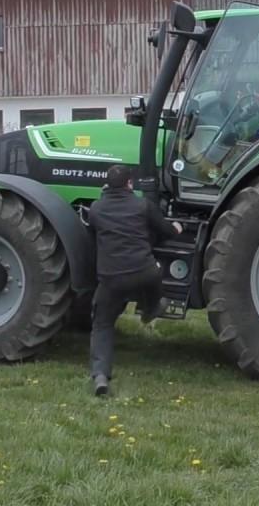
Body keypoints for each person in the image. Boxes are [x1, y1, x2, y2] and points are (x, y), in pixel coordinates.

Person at [84, 164, 183, 397]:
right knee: (153, 276)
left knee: (102, 324)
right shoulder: (142, 205)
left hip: (111, 279)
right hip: (145, 272)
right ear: (130, 184)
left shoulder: (96, 209)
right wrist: (177, 228)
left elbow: (92, 236)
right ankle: (150, 309)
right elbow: (165, 230)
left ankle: (100, 376)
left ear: (107, 185)